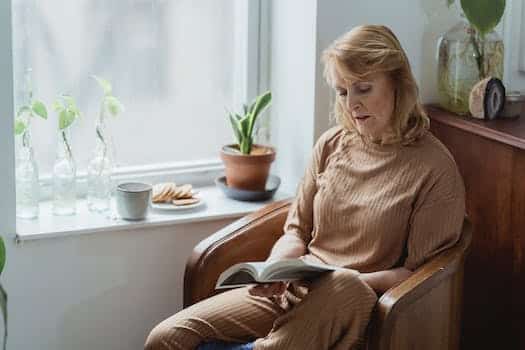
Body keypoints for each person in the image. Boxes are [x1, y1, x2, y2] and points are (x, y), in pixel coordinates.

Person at [145, 24, 465, 350]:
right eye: (342, 92)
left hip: (354, 297)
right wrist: (276, 270)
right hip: (298, 286)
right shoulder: (330, 144)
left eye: (363, 88)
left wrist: (343, 280)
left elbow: (419, 275)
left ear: (398, 84)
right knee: (166, 338)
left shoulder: (434, 168)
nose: (352, 104)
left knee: (344, 284)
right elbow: (295, 232)